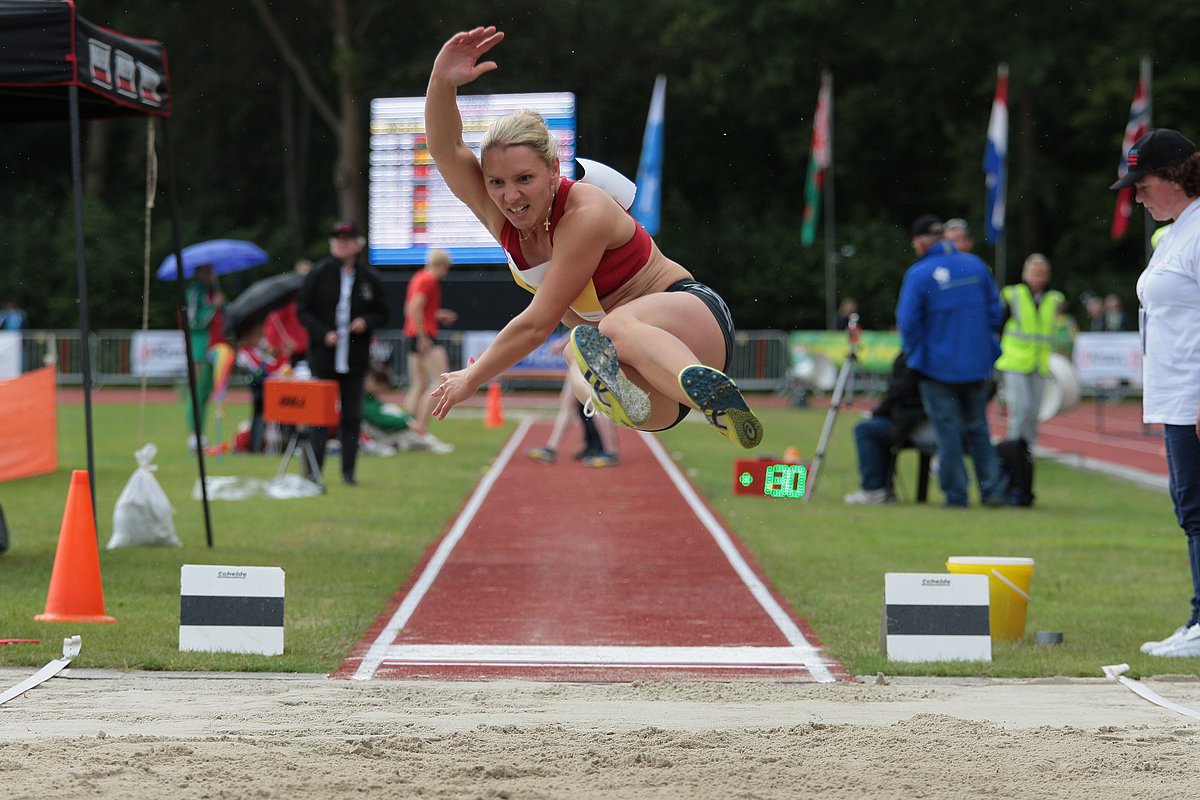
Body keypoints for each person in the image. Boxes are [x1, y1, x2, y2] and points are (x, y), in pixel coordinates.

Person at [423, 26, 762, 449]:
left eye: (525, 178)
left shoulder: (585, 211)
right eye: (496, 182)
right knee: (575, 353)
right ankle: (628, 399)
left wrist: (471, 377)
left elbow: (536, 324)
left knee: (610, 327)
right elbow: (446, 148)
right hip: (650, 382)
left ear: (553, 171)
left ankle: (713, 397)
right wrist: (440, 80)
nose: (510, 196)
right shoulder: (499, 212)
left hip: (692, 328)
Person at [1109, 128, 1200, 657]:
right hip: (1176, 393)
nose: (1136, 196)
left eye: (1141, 185)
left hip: (1193, 393)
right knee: (1190, 506)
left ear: (1172, 177)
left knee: (1197, 507)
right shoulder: (1177, 233)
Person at [896, 214, 1006, 508]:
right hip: (977, 364)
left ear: (920, 242)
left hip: (936, 368)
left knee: (948, 434)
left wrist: (917, 356)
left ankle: (957, 496)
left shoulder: (919, 273)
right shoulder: (976, 266)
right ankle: (992, 491)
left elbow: (907, 323)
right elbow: (996, 313)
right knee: (979, 430)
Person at [296, 220, 390, 486]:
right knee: (319, 418)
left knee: (351, 417)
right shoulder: (318, 274)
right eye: (337, 239)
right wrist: (323, 333)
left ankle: (348, 474)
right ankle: (313, 474)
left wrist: (365, 322)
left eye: (346, 239)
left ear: (357, 244)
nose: (341, 243)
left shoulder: (368, 279)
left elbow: (383, 313)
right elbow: (303, 310)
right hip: (324, 358)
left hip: (354, 359)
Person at [995, 253, 1064, 447]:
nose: (1038, 277)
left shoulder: (1054, 299)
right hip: (1015, 361)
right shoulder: (1012, 295)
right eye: (1034, 272)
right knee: (1020, 408)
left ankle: (1028, 452)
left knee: (1034, 411)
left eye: (1042, 273)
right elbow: (998, 326)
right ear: (1025, 274)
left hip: (1039, 362)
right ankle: (1012, 449)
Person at [843, 352, 928, 505]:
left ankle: (874, 490)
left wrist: (877, 412)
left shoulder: (912, 357)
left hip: (917, 427)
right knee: (876, 427)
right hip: (935, 425)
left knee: (866, 429)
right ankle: (882, 489)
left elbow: (900, 394)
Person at [403, 249, 458, 426]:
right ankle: (420, 426)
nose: (446, 273)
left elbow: (411, 309)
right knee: (440, 381)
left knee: (418, 383)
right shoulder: (429, 280)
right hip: (423, 335)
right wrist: (423, 336)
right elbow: (415, 308)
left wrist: (437, 315)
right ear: (441, 265)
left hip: (412, 333)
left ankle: (406, 426)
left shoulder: (418, 277)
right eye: (446, 268)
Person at [362, 363, 453, 455]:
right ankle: (430, 442)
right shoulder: (361, 397)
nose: (381, 391)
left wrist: (407, 420)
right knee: (393, 412)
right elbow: (377, 418)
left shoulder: (369, 397)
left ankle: (428, 440)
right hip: (371, 431)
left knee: (418, 385)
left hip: (375, 429)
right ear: (372, 380)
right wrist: (406, 422)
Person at [527, 379, 619, 468]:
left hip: (590, 365)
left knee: (596, 403)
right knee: (570, 402)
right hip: (578, 365)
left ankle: (611, 452)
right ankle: (551, 448)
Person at [184, 263, 226, 449]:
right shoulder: (194, 293)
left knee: (206, 393)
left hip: (212, 349)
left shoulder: (211, 292)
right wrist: (212, 308)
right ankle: (195, 434)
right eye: (207, 271)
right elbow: (194, 322)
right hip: (199, 349)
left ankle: (200, 433)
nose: (212, 274)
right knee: (197, 392)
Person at [263, 259, 312, 367]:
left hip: (312, 348)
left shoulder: (314, 297)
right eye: (302, 274)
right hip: (294, 350)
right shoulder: (288, 298)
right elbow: (274, 321)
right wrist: (276, 343)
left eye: (308, 274)